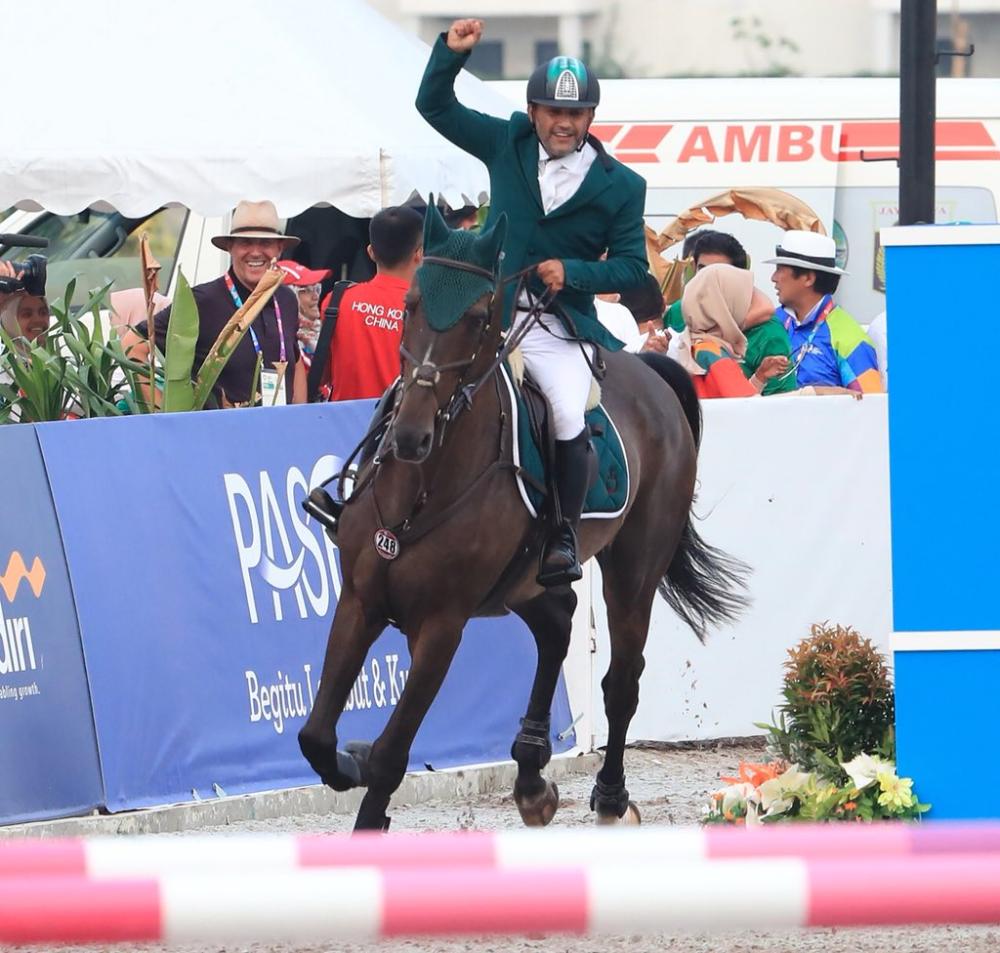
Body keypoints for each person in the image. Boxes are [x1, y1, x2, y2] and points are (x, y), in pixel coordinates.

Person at [416, 18, 648, 587]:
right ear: (533, 111)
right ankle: (366, 493)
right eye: (552, 111)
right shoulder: (506, 142)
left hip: (554, 322)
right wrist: (451, 54)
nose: (564, 122)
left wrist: (574, 272)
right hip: (485, 309)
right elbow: (435, 106)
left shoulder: (623, 186)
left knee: (566, 410)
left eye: (576, 113)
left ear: (590, 117)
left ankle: (561, 534)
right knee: (420, 376)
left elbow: (633, 267)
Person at [124, 201, 302, 407]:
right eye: (245, 243)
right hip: (220, 427)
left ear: (279, 248)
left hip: (278, 425)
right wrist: (165, 413)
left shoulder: (286, 299)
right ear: (230, 247)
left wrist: (304, 417)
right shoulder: (203, 301)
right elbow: (132, 346)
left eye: (265, 243)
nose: (255, 252)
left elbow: (295, 361)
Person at [312, 206, 423, 402]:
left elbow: (324, 375)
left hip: (344, 418)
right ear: (419, 253)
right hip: (397, 418)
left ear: (371, 252)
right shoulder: (426, 309)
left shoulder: (337, 300)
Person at [766, 231, 882, 394]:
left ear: (808, 278)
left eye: (780, 269)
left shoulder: (851, 338)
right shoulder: (771, 321)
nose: (773, 277)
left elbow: (869, 401)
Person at [686, 231, 795, 396]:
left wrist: (759, 378)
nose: (707, 284)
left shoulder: (769, 335)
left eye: (719, 277)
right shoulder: (679, 314)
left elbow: (777, 403)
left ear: (739, 280)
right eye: (702, 272)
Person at [677, 264, 787, 398]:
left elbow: (734, 401)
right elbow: (747, 406)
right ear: (726, 306)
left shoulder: (698, 345)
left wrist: (760, 377)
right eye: (742, 301)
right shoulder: (715, 356)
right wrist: (808, 392)